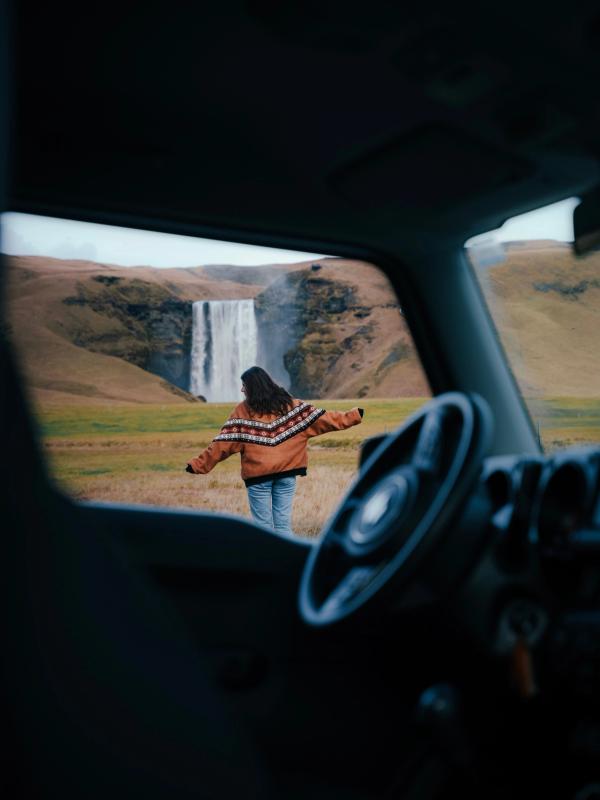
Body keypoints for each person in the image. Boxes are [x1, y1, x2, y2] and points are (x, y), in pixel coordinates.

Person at [185, 365, 364, 535]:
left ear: (253, 388)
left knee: (263, 530)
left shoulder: (242, 412)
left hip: (258, 479)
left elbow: (221, 444)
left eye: (244, 386)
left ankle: (266, 564)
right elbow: (327, 419)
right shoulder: (293, 407)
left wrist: (198, 465)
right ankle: (287, 564)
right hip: (287, 474)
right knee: (283, 526)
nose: (242, 390)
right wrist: (353, 416)